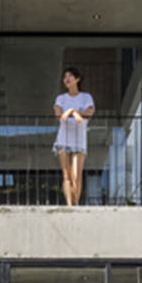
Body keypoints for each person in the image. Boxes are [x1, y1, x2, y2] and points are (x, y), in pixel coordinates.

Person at [53, 67, 94, 205]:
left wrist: (72, 111)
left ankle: (76, 204)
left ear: (77, 79)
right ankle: (70, 205)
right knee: (67, 175)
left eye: (70, 76)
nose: (67, 79)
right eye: (65, 76)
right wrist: (74, 112)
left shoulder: (86, 97)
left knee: (77, 175)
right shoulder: (61, 98)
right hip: (64, 138)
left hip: (79, 139)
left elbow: (89, 113)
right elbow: (59, 115)